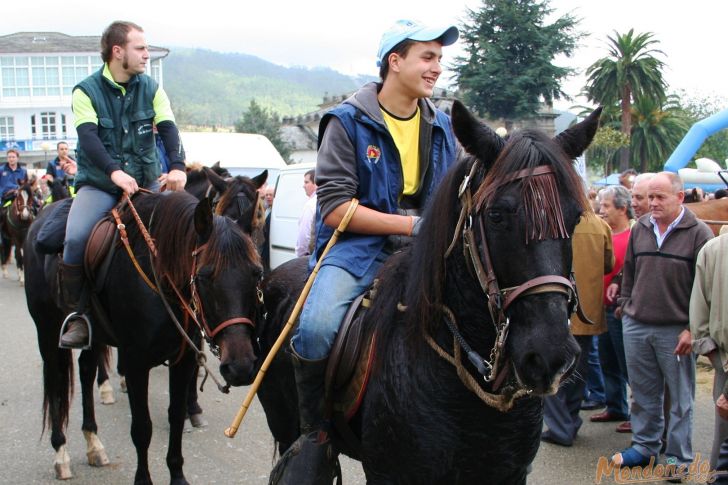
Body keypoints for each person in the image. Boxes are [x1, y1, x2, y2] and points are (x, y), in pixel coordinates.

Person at [280, 18, 460, 475]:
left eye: (439, 57)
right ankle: (315, 434)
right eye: (427, 56)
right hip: (358, 249)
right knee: (317, 326)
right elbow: (336, 209)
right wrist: (413, 226)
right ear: (394, 62)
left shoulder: (442, 127)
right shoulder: (345, 122)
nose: (437, 67)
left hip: (427, 252)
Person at [58, 21, 186, 349]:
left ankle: (189, 311)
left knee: (183, 231)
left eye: (146, 48)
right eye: (140, 48)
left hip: (145, 184)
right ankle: (79, 316)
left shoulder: (152, 88)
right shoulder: (85, 91)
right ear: (118, 52)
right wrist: (114, 172)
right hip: (100, 185)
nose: (146, 55)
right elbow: (88, 138)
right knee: (74, 238)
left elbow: (169, 129)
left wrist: (177, 167)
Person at [611, 172, 713, 472]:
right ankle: (644, 447)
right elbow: (629, 271)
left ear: (680, 197)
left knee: (680, 401)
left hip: (676, 331)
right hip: (637, 325)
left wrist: (693, 329)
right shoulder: (641, 228)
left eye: (659, 197)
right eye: (649, 197)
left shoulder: (700, 233)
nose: (652, 203)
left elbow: (704, 289)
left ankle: (677, 459)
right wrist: (625, 305)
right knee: (642, 394)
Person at [542, 211, 613, 447]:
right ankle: (570, 423)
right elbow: (608, 264)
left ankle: (561, 428)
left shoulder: (552, 219)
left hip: (556, 307)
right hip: (587, 310)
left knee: (550, 372)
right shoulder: (600, 225)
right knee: (577, 371)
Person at [592, 185, 634, 433]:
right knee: (608, 361)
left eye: (607, 206)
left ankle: (637, 413)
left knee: (628, 364)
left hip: (621, 310)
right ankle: (615, 405)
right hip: (603, 308)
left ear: (622, 208)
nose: (601, 210)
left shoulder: (634, 236)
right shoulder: (604, 232)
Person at [690, 231, 728, 471]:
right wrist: (717, 360)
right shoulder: (714, 250)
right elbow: (700, 311)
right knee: (723, 442)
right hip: (724, 362)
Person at [295, 169, 317, 257]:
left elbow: (304, 237)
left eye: (306, 182)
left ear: (316, 184)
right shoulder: (325, 200)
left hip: (308, 257)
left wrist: (300, 256)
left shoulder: (311, 205)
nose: (303, 186)